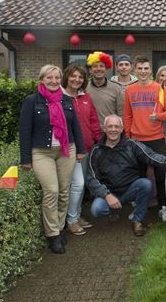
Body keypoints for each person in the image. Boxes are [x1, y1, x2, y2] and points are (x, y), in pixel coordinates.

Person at [19, 64, 86, 254]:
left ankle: (59, 226)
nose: (54, 81)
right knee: (51, 190)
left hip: (67, 150)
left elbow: (76, 127)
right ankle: (53, 235)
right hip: (41, 152)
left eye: (57, 78)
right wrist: (25, 158)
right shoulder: (32, 101)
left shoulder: (67, 100)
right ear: (42, 80)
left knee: (64, 191)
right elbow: (25, 131)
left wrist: (80, 149)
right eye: (49, 78)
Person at [84, 115, 166, 236]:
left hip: (130, 190)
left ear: (122, 129)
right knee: (96, 210)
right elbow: (91, 179)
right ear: (104, 128)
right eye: (110, 126)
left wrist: (164, 160)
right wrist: (106, 195)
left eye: (116, 126)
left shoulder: (131, 144)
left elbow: (148, 154)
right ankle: (115, 209)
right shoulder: (96, 150)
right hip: (109, 192)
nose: (113, 129)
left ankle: (137, 219)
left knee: (146, 184)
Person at [124, 56, 166, 223]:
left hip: (157, 138)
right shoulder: (130, 90)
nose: (143, 71)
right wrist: (128, 137)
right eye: (140, 68)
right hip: (137, 140)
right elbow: (127, 115)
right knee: (140, 177)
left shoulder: (160, 88)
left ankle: (163, 207)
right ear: (135, 70)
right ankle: (141, 208)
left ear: (150, 71)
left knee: (161, 174)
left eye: (146, 68)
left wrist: (159, 116)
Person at [62, 64, 101, 236]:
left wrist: (97, 139)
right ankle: (71, 220)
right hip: (70, 148)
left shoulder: (85, 97)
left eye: (80, 77)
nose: (76, 80)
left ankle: (76, 216)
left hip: (87, 147)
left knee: (81, 184)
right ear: (67, 77)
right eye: (73, 76)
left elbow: (93, 119)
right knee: (78, 184)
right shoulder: (60, 97)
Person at [86, 51, 124, 128]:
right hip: (89, 132)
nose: (98, 69)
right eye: (95, 66)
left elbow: (121, 114)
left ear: (106, 69)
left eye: (101, 66)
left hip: (110, 133)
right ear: (90, 70)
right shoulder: (84, 88)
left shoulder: (116, 88)